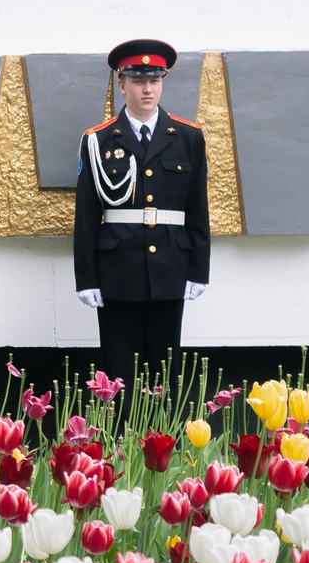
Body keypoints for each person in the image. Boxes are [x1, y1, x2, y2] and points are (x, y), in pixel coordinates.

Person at [74, 39, 209, 389]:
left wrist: (199, 270)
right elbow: (87, 216)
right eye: (137, 80)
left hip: (170, 267)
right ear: (122, 85)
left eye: (155, 80)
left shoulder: (188, 137)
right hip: (117, 270)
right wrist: (86, 277)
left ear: (162, 82)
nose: (147, 88)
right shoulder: (98, 140)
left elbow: (197, 209)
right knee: (118, 371)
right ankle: (122, 442)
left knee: (166, 372)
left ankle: (163, 441)